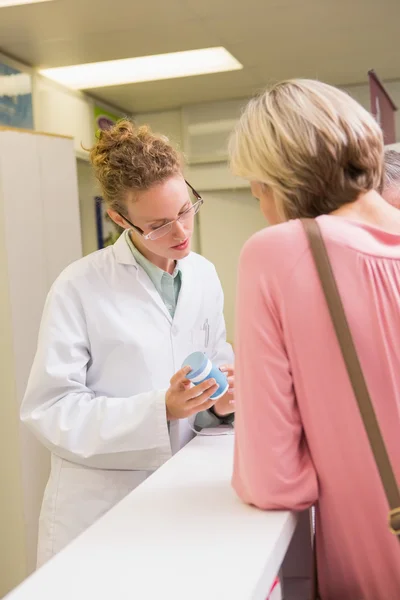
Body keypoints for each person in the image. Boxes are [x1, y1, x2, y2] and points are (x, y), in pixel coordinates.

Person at [21, 120, 234, 567]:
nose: (180, 232)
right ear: (119, 218)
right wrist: (162, 410)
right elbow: (51, 409)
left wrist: (223, 398)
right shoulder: (78, 286)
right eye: (158, 224)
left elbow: (216, 363)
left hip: (183, 496)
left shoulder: (204, 275)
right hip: (100, 510)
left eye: (185, 209)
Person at [228, 79, 400, 600]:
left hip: (376, 564)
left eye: (258, 191)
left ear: (280, 181)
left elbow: (272, 479)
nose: (262, 207)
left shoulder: (278, 253)